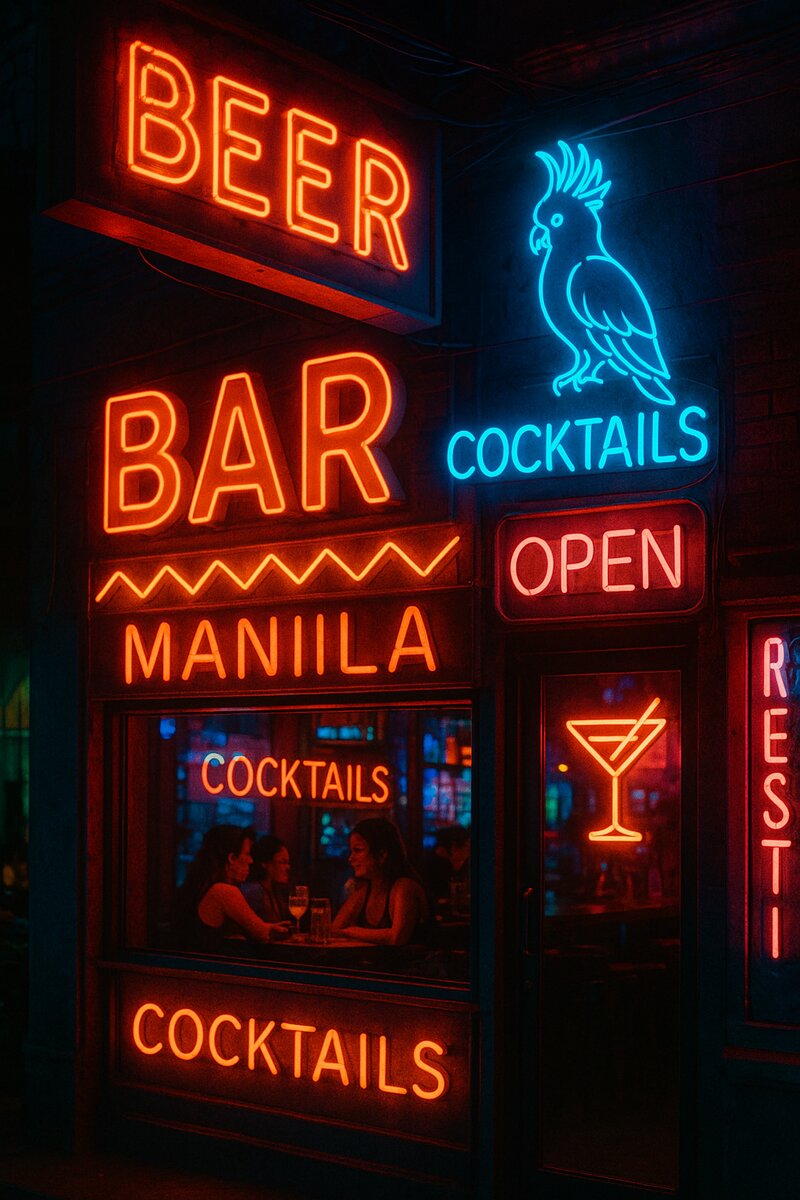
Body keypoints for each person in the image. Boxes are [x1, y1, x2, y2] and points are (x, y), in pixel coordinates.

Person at [173, 824, 290, 951]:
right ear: (232, 858)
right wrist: (273, 930)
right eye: (247, 853)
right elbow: (262, 933)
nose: (251, 860)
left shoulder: (202, 886)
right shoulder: (224, 891)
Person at [332, 817, 430, 946]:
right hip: (379, 965)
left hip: (412, 965)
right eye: (351, 851)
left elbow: (396, 938)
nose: (351, 858)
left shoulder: (404, 887)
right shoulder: (366, 888)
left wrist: (350, 931)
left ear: (382, 855)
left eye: (358, 850)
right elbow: (336, 928)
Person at [241, 834, 291, 922]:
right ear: (264, 863)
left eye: (288, 862)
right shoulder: (253, 891)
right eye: (283, 862)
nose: (288, 867)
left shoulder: (271, 889)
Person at [422, 824, 471, 906]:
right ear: (454, 846)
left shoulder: (446, 863)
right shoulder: (437, 866)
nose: (469, 850)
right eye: (467, 846)